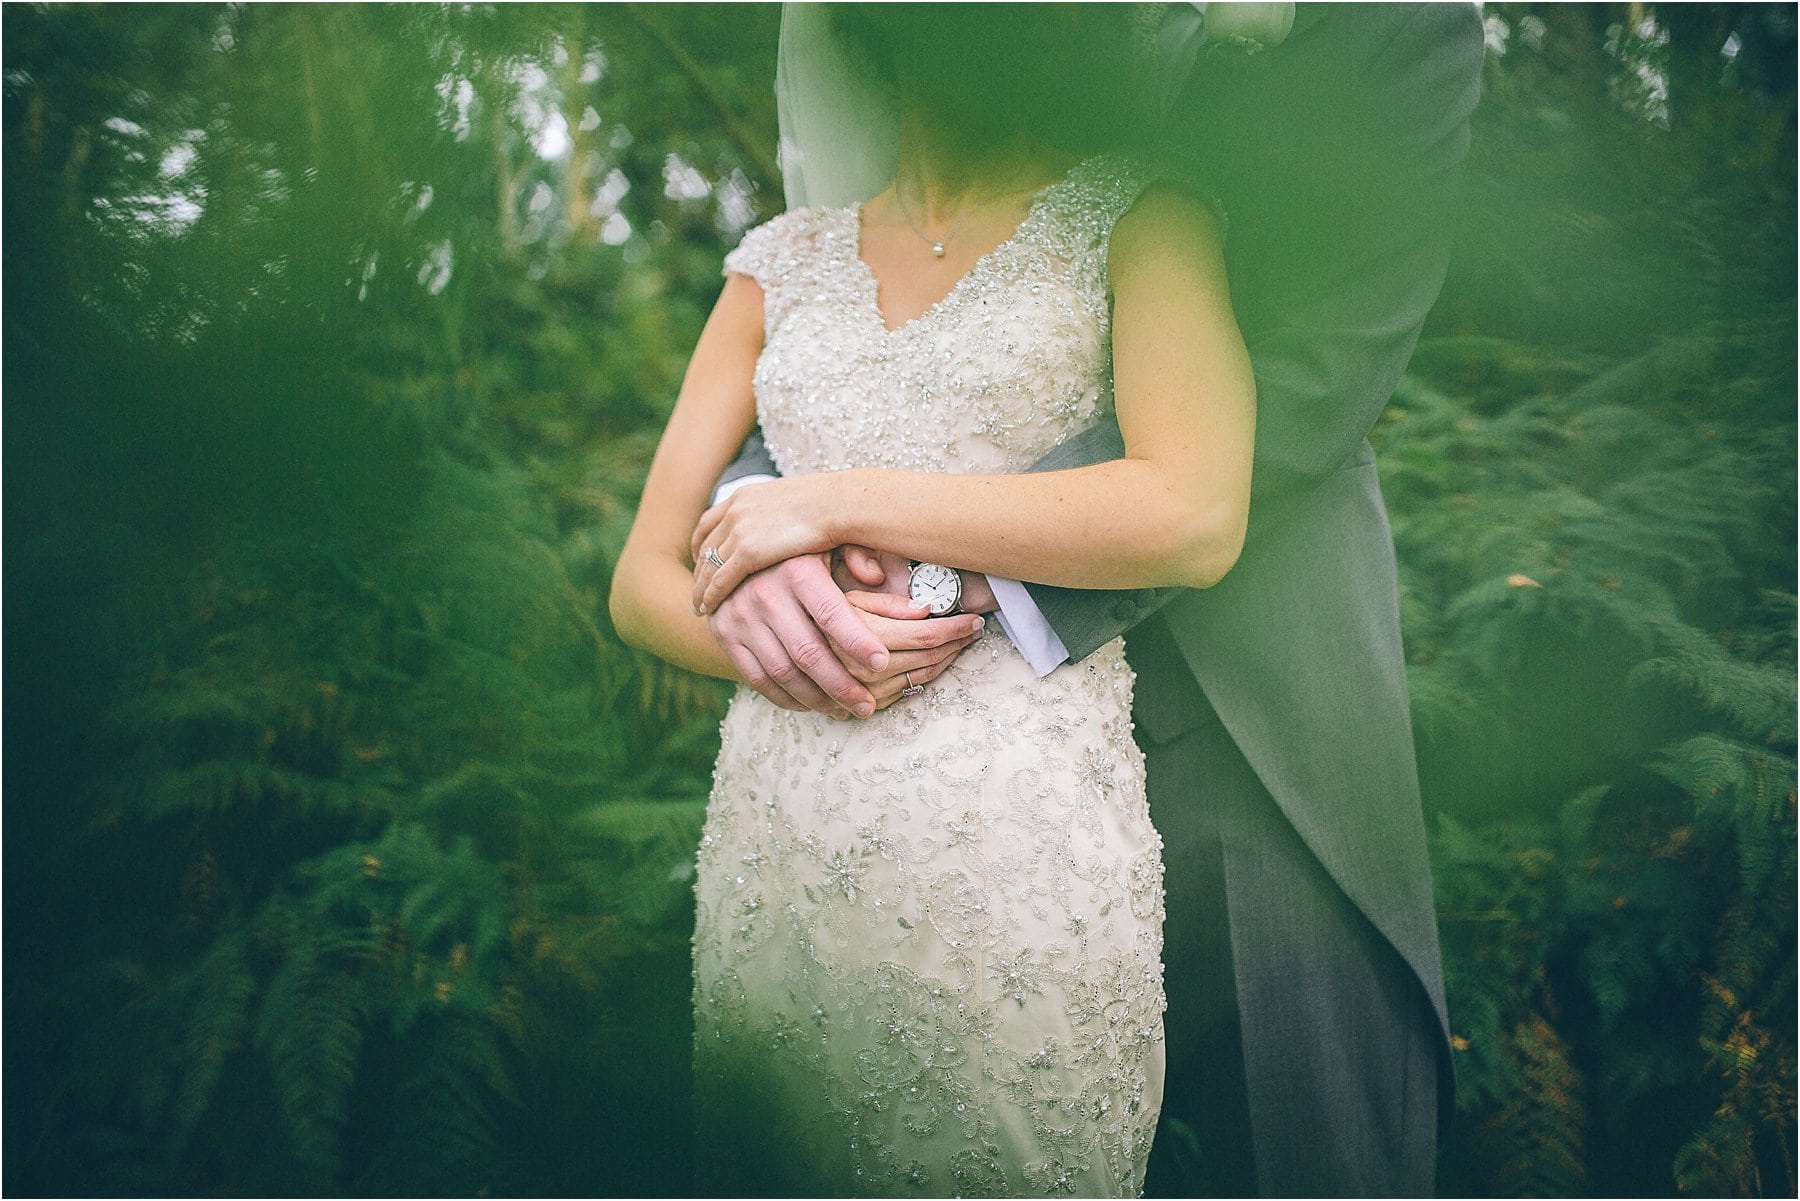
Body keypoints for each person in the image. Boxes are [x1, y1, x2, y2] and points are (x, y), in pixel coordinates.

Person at [701, 3, 1487, 1196]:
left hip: (1248, 713)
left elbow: (1315, 366)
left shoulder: (1391, 23)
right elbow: (839, 317)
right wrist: (771, 540)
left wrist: (910, 552)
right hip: (887, 776)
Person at [609, 5, 1254, 1196]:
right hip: (780, 828)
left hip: (1010, 835)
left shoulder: (1138, 217)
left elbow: (1196, 510)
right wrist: (773, 637)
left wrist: (835, 502)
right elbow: (644, 581)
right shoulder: (781, 265)